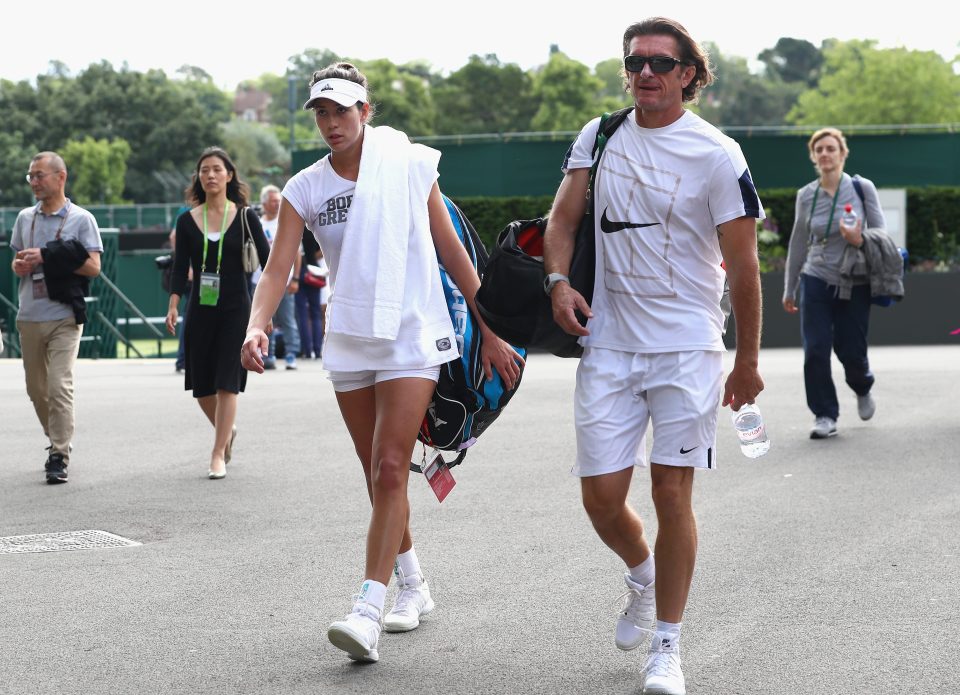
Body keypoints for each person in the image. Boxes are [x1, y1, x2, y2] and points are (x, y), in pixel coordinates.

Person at [240, 62, 523, 663]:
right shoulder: (305, 188)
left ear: (366, 110)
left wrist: (490, 327)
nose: (330, 122)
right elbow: (277, 269)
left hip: (411, 333)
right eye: (320, 111)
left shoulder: (408, 163)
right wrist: (257, 325)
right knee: (379, 476)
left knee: (392, 465)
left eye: (341, 110)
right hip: (349, 337)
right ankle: (414, 585)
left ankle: (367, 608)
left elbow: (451, 250)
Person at [542, 18, 764, 695]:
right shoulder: (600, 135)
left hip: (686, 348)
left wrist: (748, 362)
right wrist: (556, 281)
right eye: (634, 61)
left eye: (660, 64)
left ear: (689, 74)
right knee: (602, 501)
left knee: (671, 491)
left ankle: (667, 646)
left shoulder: (718, 154)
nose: (644, 73)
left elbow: (745, 265)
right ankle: (643, 573)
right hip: (607, 342)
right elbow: (562, 221)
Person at [165, 147, 270, 480]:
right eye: (204, 170)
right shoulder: (186, 220)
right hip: (201, 309)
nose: (210, 175)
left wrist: (266, 312)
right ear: (198, 178)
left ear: (229, 175)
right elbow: (180, 267)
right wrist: (173, 304)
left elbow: (269, 263)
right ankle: (227, 431)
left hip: (237, 308)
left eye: (216, 169)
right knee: (201, 386)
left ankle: (216, 452)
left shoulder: (244, 215)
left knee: (228, 382)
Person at [783, 128, 885, 440]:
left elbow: (880, 233)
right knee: (815, 349)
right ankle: (824, 413)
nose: (825, 154)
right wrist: (790, 287)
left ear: (842, 154)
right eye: (819, 150)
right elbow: (798, 242)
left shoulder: (861, 187)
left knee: (850, 349)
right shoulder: (806, 195)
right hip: (815, 278)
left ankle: (862, 385)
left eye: (831, 149)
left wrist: (859, 237)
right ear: (814, 157)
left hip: (855, 279)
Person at [10, 151, 103, 484]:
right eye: (30, 176)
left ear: (60, 177)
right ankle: (57, 436)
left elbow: (93, 267)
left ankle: (58, 454)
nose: (34, 182)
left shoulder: (81, 219)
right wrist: (20, 264)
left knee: (58, 384)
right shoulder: (24, 218)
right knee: (36, 389)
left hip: (64, 314)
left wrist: (49, 257)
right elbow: (19, 263)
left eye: (40, 175)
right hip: (29, 314)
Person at [253, 185, 302, 370]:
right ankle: (267, 354)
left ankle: (291, 354)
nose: (277, 205)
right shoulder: (257, 223)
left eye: (279, 201)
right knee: (264, 319)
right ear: (264, 203)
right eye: (273, 201)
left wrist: (296, 278)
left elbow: (297, 252)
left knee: (287, 319)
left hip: (284, 281)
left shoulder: (285, 221)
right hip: (259, 281)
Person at [295, 227, 327, 360]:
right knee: (316, 314)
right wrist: (312, 256)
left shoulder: (296, 230)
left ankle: (307, 350)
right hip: (315, 271)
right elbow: (322, 252)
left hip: (300, 271)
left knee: (302, 314)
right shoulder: (314, 230)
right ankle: (318, 349)